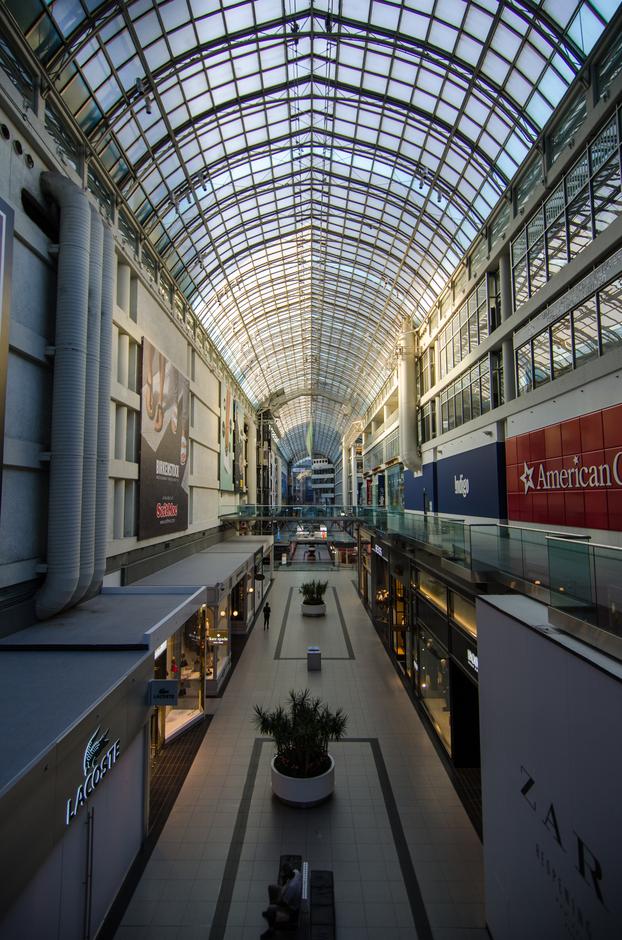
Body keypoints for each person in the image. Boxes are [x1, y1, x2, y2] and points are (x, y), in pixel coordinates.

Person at [261, 863, 302, 938]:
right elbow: (286, 885)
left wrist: (275, 903)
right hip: (286, 892)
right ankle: (270, 914)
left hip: (291, 908)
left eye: (284, 873)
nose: (282, 874)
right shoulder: (296, 872)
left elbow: (284, 903)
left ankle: (271, 929)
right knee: (271, 888)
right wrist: (284, 884)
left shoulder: (292, 887)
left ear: (287, 874)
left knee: (271, 909)